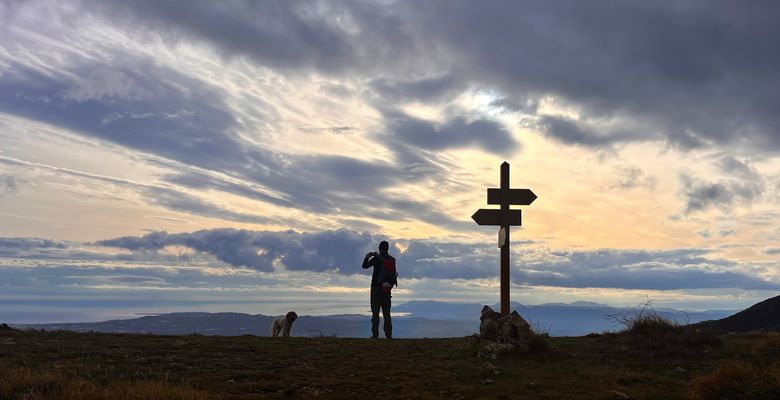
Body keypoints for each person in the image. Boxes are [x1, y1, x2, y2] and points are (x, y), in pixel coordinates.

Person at [362, 240, 397, 339]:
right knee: (387, 313)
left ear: (379, 248)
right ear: (388, 248)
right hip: (387, 288)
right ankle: (388, 336)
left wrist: (367, 257)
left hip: (375, 288)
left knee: (375, 313)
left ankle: (375, 335)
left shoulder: (376, 258)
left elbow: (364, 266)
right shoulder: (392, 260)